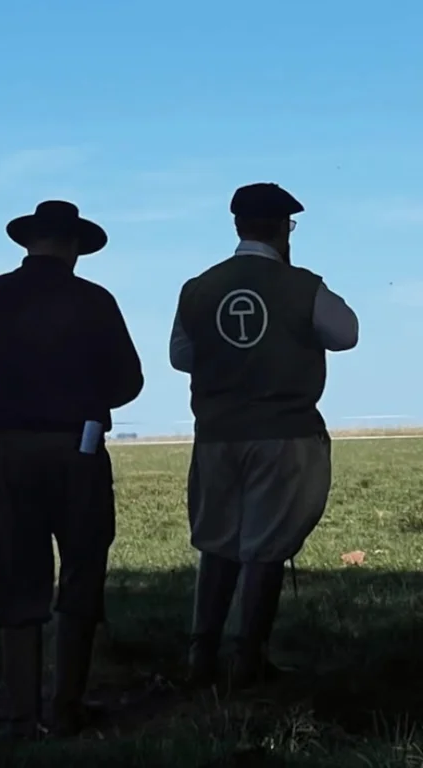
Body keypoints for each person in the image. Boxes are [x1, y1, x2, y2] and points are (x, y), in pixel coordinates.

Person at [0, 199, 144, 740]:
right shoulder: (95, 301)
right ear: (76, 246)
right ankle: (67, 706)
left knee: (15, 572)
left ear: (28, 242)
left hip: (8, 449)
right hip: (77, 448)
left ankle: (19, 713)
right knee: (81, 568)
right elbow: (130, 382)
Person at [169, 182, 359, 690]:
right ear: (283, 229)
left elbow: (181, 357)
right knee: (266, 547)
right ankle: (247, 657)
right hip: (283, 435)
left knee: (218, 544)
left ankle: (201, 653)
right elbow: (347, 333)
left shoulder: (198, 288)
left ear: (237, 226)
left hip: (215, 436)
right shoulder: (302, 286)